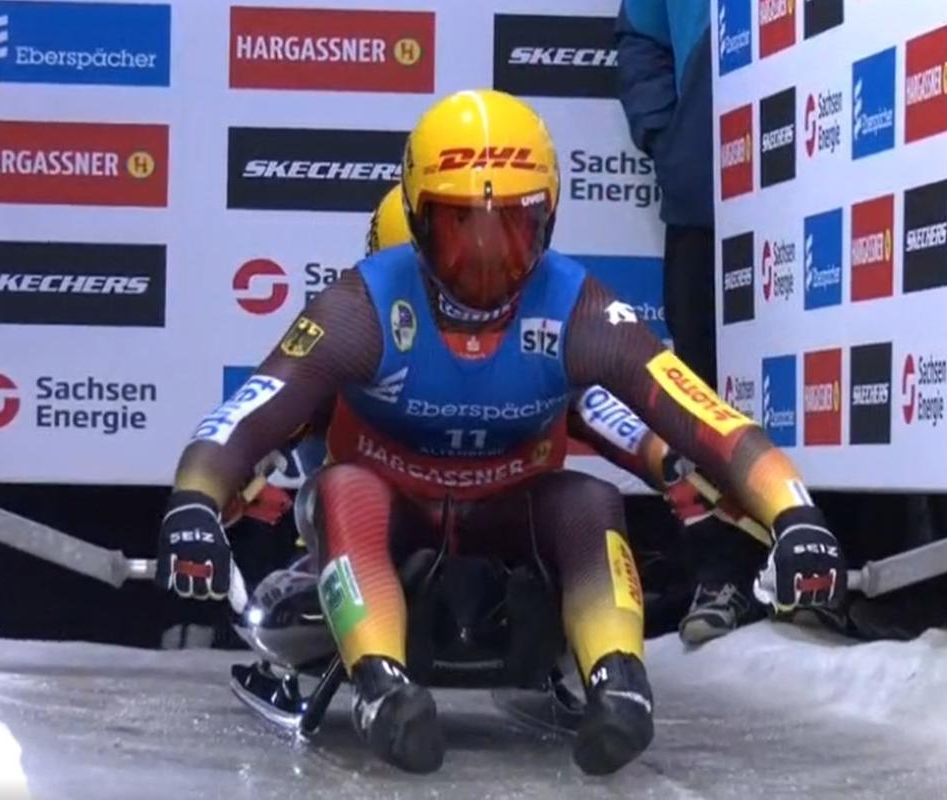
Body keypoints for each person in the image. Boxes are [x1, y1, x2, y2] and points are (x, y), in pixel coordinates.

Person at [155, 89, 844, 776]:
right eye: (460, 230)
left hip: (507, 516)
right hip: (390, 515)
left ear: (547, 220)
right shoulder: (361, 306)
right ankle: (381, 686)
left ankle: (621, 682)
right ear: (418, 224)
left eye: (512, 229)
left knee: (588, 501)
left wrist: (796, 515)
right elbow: (252, 412)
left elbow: (702, 416)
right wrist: (195, 503)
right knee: (344, 489)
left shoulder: (578, 308)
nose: (485, 262)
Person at [615, 0, 772, 644]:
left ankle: (832, 574)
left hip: (832, 175)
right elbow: (641, 36)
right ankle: (721, 576)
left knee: (847, 380)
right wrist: (671, 138)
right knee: (702, 395)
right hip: (708, 199)